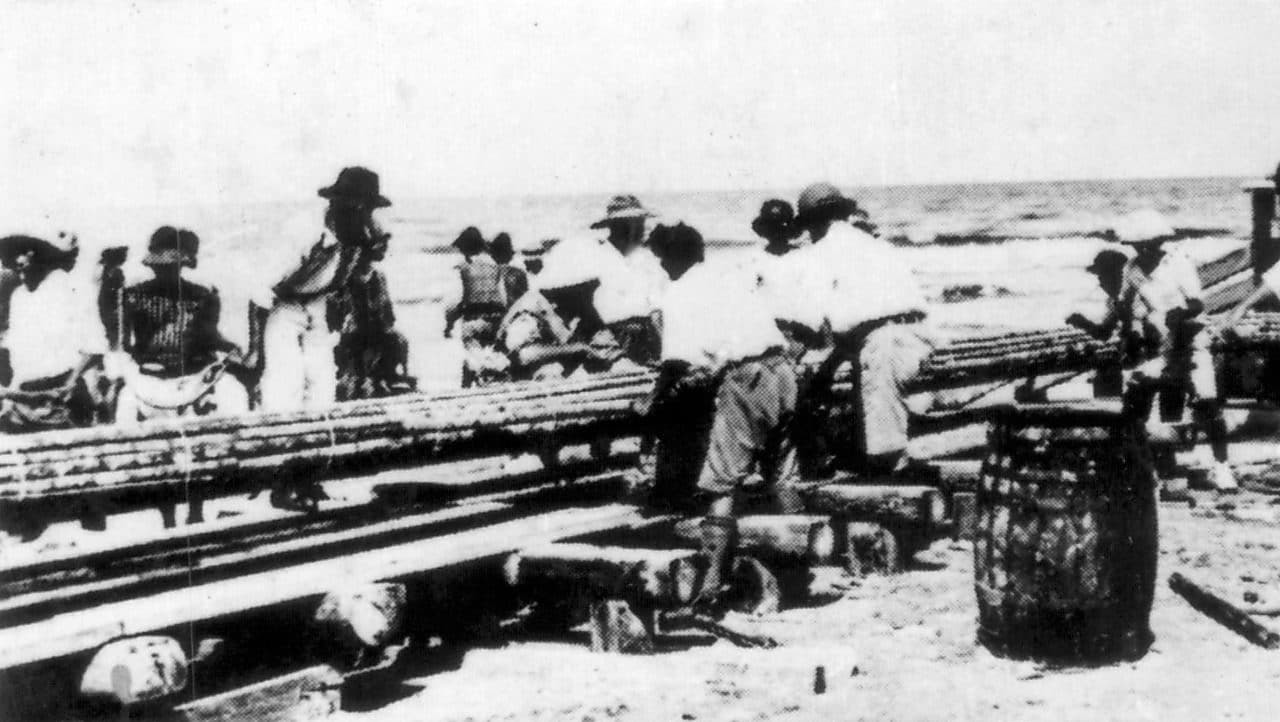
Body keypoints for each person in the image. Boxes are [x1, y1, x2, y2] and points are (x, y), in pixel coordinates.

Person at [643, 221, 799, 613]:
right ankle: (797, 574)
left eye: (663, 261)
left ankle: (708, 589)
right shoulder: (729, 279)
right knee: (782, 474)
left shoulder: (678, 292)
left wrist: (652, 413)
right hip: (782, 370)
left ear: (670, 259)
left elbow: (676, 364)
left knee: (719, 485)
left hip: (747, 376)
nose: (663, 269)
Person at [789, 182, 932, 477]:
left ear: (815, 222)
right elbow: (866, 314)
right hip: (919, 337)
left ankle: (901, 505)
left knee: (887, 447)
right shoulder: (871, 243)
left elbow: (811, 324)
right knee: (884, 431)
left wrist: (789, 360)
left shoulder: (824, 251)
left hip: (885, 345)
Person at [1103, 209, 1236, 492]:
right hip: (1160, 348)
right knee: (1135, 397)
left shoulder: (1177, 263)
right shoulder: (1132, 270)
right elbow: (1125, 302)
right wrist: (1124, 318)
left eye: (1148, 243)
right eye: (1138, 245)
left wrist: (1178, 313)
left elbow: (1197, 304)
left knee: (1207, 402)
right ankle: (1141, 464)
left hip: (1190, 341)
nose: (1144, 249)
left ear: (1159, 240)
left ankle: (1222, 467)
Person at [253, 166, 389, 411]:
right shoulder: (307, 231)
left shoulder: (358, 232)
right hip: (284, 305)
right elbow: (263, 293)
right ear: (341, 204)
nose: (365, 213)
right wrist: (256, 351)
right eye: (360, 206)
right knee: (285, 380)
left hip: (319, 304)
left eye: (368, 208)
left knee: (323, 382)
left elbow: (361, 275)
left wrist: (374, 240)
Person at [114, 227, 250, 425]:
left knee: (234, 393)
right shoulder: (133, 296)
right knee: (125, 403)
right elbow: (124, 344)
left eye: (169, 266)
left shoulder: (203, 296)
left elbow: (209, 337)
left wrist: (231, 349)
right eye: (162, 267)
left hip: (195, 380)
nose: (164, 270)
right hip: (149, 383)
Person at [0, 234, 110, 433]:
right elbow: (16, 353)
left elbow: (95, 345)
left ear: (36, 253)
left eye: (20, 253)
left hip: (64, 396)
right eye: (8, 256)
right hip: (24, 398)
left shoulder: (69, 287)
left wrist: (69, 384)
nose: (14, 262)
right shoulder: (19, 297)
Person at [496, 236, 625, 380]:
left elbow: (598, 336)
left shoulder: (576, 307)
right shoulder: (537, 304)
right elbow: (522, 352)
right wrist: (579, 349)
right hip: (526, 364)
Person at [334, 228, 414, 400]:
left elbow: (387, 313)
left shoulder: (376, 276)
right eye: (381, 245)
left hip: (372, 331)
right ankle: (379, 378)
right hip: (355, 334)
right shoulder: (350, 278)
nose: (385, 248)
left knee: (398, 341)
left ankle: (388, 377)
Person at [590, 195, 665, 367]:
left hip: (645, 337)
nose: (641, 229)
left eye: (639, 223)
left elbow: (656, 311)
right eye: (634, 224)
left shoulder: (646, 260)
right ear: (616, 227)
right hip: (609, 339)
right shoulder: (595, 258)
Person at [445, 226, 517, 387]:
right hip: (495, 321)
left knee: (473, 357)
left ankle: (466, 390)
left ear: (466, 249)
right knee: (493, 355)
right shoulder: (496, 268)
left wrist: (448, 325)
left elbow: (455, 303)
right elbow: (503, 299)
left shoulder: (462, 268)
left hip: (472, 321)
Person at [1066, 248, 1129, 396]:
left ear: (1115, 276)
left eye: (1102, 277)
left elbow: (1106, 334)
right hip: (1126, 357)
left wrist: (1083, 323)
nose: (1100, 283)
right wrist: (1084, 323)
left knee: (1105, 365)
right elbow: (1106, 333)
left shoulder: (1123, 301)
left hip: (1128, 360)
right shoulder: (1116, 300)